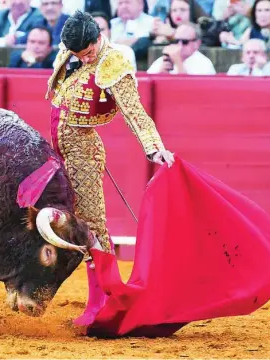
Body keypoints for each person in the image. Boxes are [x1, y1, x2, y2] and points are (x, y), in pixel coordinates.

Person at [45, 10, 174, 326]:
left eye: (88, 53)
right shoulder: (74, 51)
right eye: (78, 55)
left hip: (83, 154)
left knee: (92, 225)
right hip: (59, 151)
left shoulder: (113, 62)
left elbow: (134, 112)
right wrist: (75, 59)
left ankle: (102, 300)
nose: (85, 59)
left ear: (98, 38)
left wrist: (154, 147)